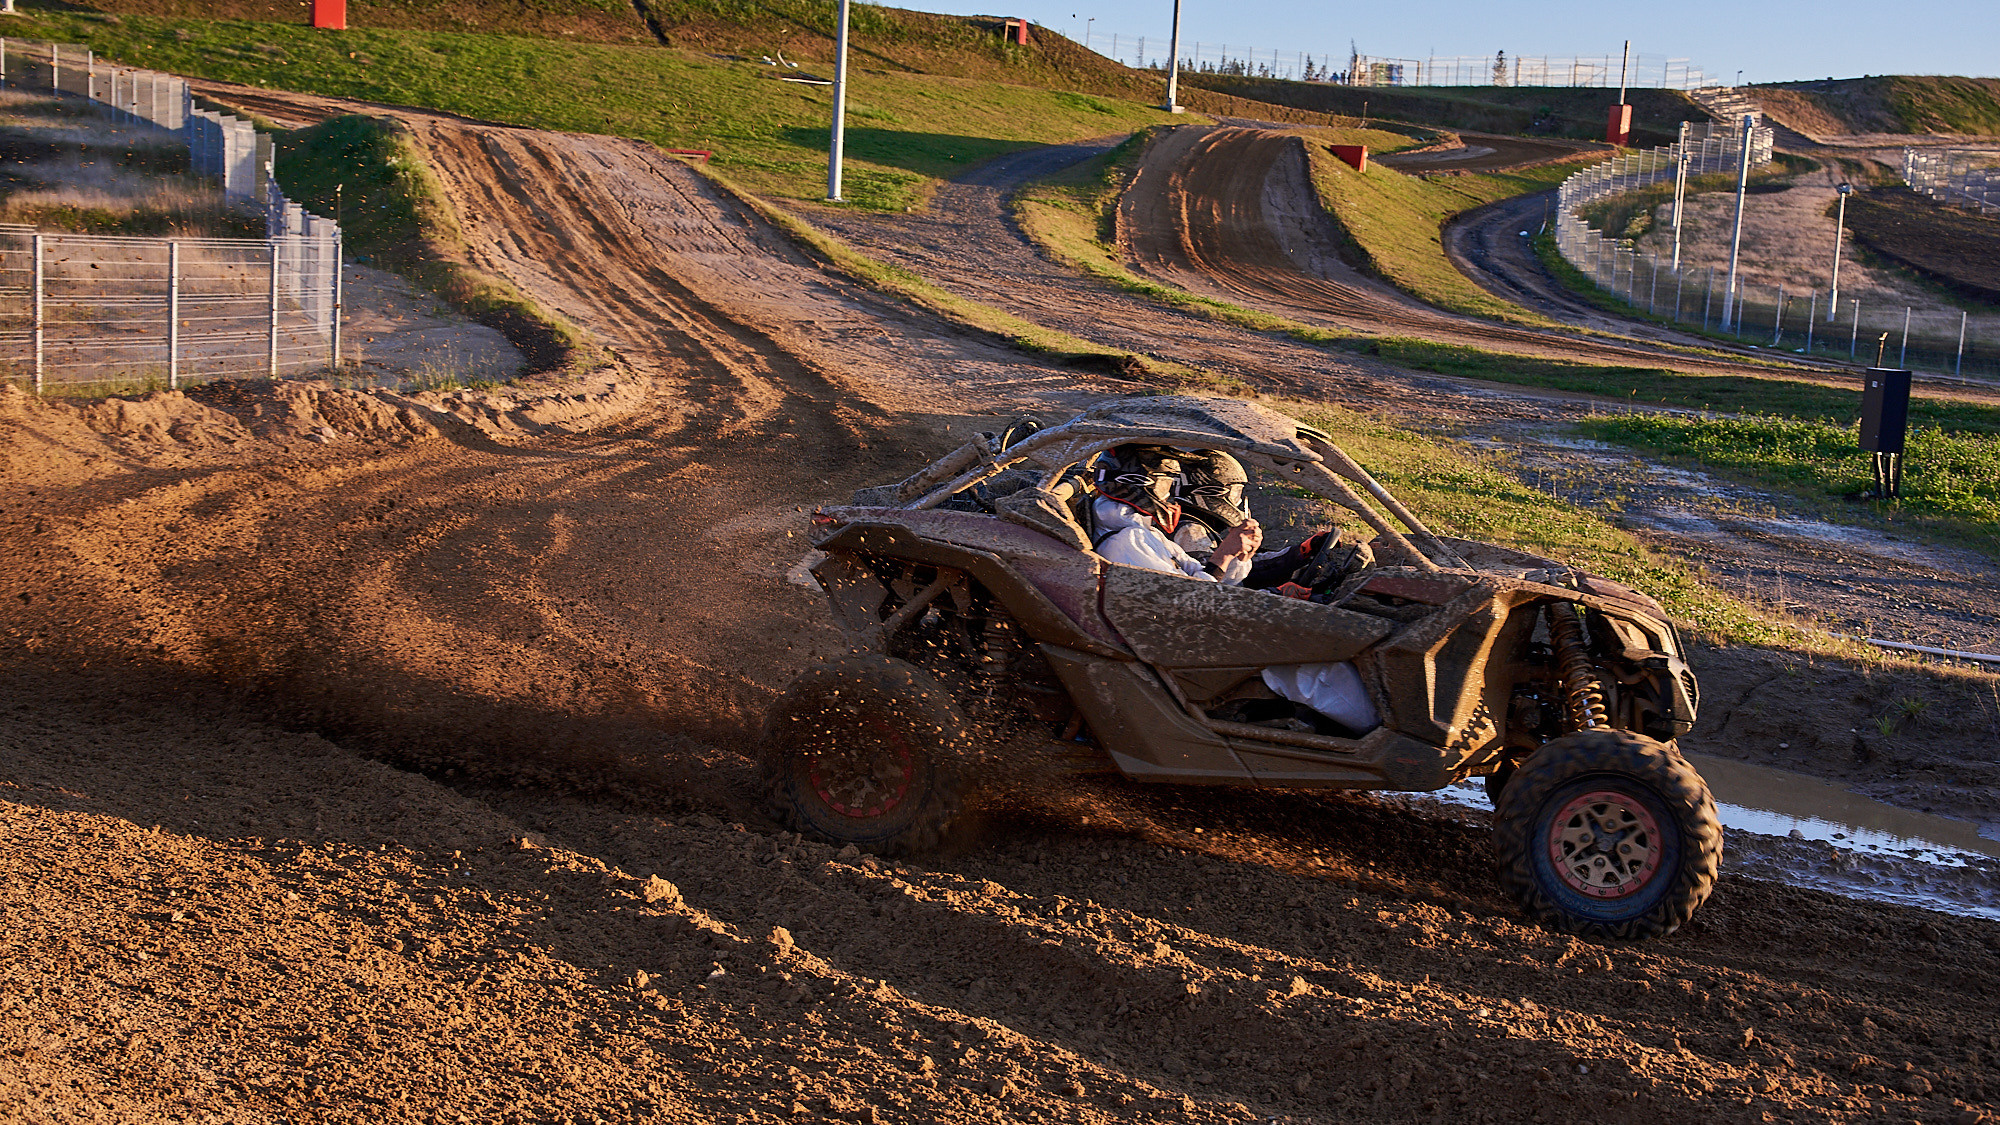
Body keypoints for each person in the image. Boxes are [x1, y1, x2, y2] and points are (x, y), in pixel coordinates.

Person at [1157, 449, 1380, 736]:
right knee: (1320, 668)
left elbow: (1240, 572)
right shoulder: (1191, 532)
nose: (1238, 498)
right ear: (1210, 492)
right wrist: (1278, 594)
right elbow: (1212, 593)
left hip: (1221, 622)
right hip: (1214, 635)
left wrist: (1298, 555)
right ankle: (1376, 731)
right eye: (1234, 491)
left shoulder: (1202, 527)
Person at [1088, 445, 1259, 583]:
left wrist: (1239, 556)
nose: (1170, 495)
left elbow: (1202, 574)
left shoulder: (1144, 532)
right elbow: (1190, 602)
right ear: (1135, 483)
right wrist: (1224, 555)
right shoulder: (1127, 542)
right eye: (1165, 484)